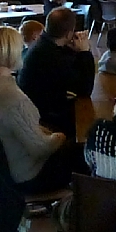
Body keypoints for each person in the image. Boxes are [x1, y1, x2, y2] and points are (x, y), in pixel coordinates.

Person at [0, 26, 78, 195]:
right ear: (13, 53)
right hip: (27, 175)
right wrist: (59, 137)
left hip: (2, 167)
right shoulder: (13, 98)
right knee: (80, 148)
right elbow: (40, 148)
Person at [17, 8, 95, 137]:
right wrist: (85, 52)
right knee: (89, 121)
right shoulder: (50, 56)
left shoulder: (43, 45)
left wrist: (75, 51)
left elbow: (71, 71)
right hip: (45, 119)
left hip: (34, 110)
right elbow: (85, 89)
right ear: (68, 34)